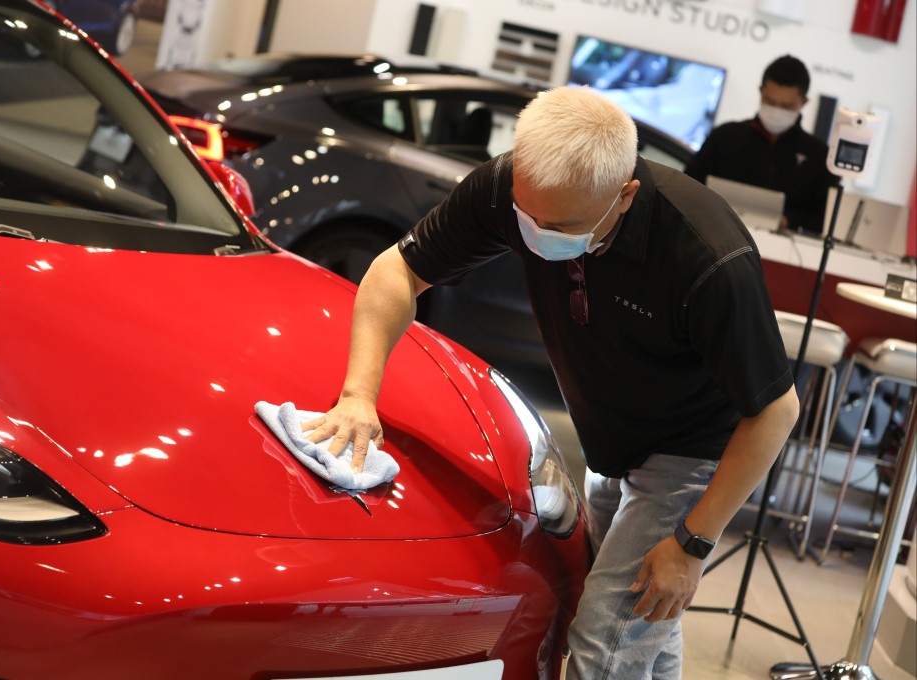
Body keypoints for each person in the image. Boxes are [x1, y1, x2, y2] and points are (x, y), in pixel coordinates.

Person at [303, 86, 800, 679]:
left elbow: (776, 411)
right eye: (526, 216)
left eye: (559, 225)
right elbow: (395, 272)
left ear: (625, 196)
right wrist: (359, 394)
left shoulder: (705, 253)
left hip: (695, 452)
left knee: (600, 642)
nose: (537, 233)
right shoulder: (512, 186)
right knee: (641, 621)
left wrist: (692, 543)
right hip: (611, 444)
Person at [684, 54, 840, 235]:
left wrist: (788, 220)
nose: (776, 111)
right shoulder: (725, 135)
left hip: (783, 250)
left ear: (804, 102)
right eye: (770, 101)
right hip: (714, 235)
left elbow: (826, 218)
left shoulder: (819, 155)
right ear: (760, 92)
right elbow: (688, 186)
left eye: (786, 106)